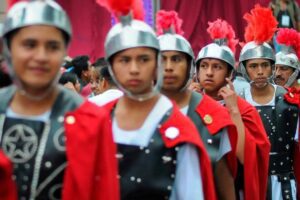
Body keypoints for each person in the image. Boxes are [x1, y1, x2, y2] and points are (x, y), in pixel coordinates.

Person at [0, 1, 119, 199]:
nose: (41, 56)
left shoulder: (90, 119)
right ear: (9, 50)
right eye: (29, 44)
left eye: (53, 46)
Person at [97, 0, 215, 199]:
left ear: (156, 63)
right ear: (111, 65)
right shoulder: (97, 119)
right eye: (124, 60)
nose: (134, 69)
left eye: (144, 59)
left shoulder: (179, 129)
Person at [157, 10, 239, 199]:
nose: (168, 66)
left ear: (189, 65)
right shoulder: (135, 110)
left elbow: (222, 173)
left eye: (177, 59)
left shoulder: (213, 114)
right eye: (162, 59)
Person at [195, 18, 271, 200]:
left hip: (233, 189)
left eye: (217, 67)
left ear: (229, 74)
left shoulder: (245, 109)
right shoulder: (191, 102)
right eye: (204, 66)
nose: (209, 72)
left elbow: (245, 158)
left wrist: (233, 110)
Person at [238, 4, 298, 200]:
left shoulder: (290, 100)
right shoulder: (237, 102)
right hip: (249, 182)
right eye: (254, 66)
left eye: (265, 65)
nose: (260, 71)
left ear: (273, 67)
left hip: (284, 183)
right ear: (245, 69)